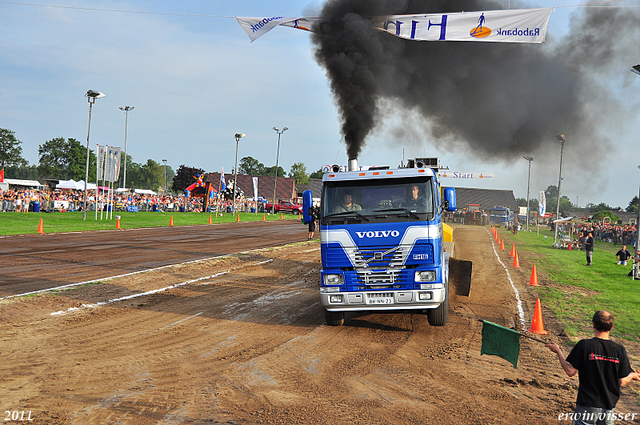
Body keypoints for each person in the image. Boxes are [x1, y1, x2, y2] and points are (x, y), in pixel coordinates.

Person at [546, 311, 640, 425]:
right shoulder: (620, 350)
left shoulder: (584, 345)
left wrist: (558, 351)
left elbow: (570, 371)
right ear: (612, 327)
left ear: (593, 325)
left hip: (587, 405)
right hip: (609, 407)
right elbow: (621, 381)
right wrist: (633, 375)